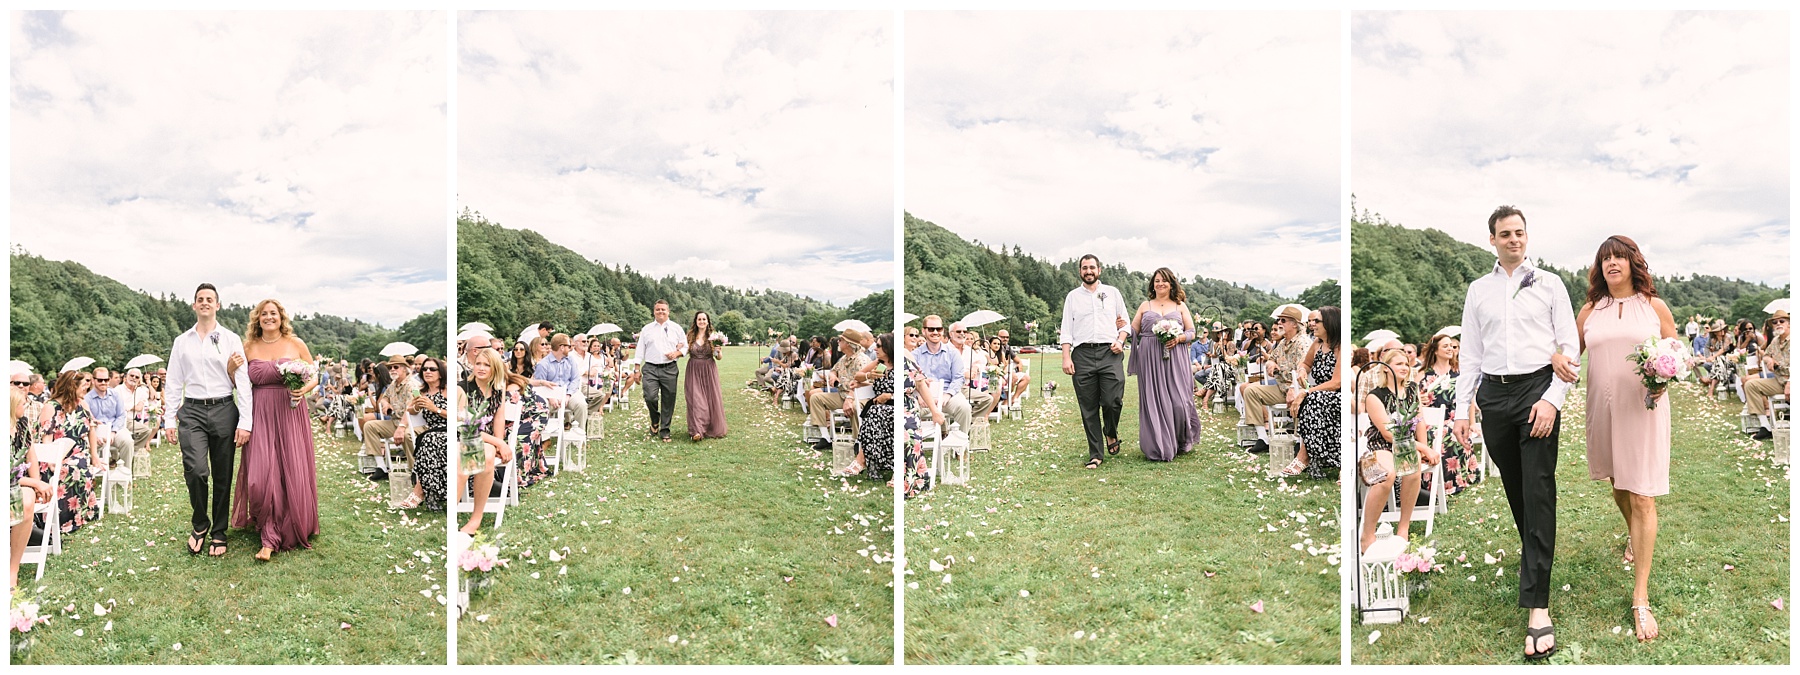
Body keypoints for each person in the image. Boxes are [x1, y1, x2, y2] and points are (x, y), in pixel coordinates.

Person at [1450, 206, 1579, 660]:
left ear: (1528, 237)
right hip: (1493, 397)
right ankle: (1537, 558)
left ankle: (1538, 606)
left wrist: (1552, 399)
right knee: (1516, 489)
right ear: (1492, 240)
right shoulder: (1478, 290)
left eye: (1520, 233)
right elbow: (1470, 351)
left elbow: (1570, 345)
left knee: (1538, 489)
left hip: (1537, 389)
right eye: (1505, 234)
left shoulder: (1550, 283)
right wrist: (1463, 407)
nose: (1513, 240)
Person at [1573, 235, 1678, 642]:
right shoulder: (1589, 311)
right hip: (1604, 408)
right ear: (1599, 268)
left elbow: (1674, 349)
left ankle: (1640, 598)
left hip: (1644, 408)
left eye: (1619, 257)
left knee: (1643, 495)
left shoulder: (1654, 306)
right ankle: (1634, 535)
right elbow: (1567, 354)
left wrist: (1665, 378)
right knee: (1618, 486)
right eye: (1605, 259)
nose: (1612, 263)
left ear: (1634, 263)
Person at [162, 283, 255, 558]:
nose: (204, 303)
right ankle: (200, 523)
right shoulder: (182, 341)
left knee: (222, 475)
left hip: (224, 409)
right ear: (194, 305)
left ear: (217, 305)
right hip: (191, 411)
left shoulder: (230, 339)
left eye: (209, 299)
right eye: (200, 299)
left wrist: (245, 422)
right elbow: (173, 383)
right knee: (196, 470)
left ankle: (219, 532)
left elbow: (243, 381)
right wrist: (169, 419)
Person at [229, 298, 320, 561]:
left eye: (274, 313)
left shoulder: (295, 343)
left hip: (290, 412)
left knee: (290, 468)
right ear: (257, 318)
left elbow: (314, 374)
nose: (269, 317)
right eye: (264, 314)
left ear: (281, 317)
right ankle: (267, 523)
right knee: (260, 474)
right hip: (260, 414)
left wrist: (305, 389)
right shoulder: (248, 346)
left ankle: (274, 536)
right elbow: (235, 382)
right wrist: (229, 368)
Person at [1357, 348, 1435, 552]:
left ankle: (1403, 529)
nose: (1405, 367)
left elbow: (1419, 420)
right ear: (1385, 368)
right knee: (1388, 475)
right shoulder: (1375, 396)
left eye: (1407, 364)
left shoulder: (1411, 390)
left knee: (1412, 467)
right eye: (1399, 363)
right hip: (1382, 445)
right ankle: (1368, 534)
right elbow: (1389, 434)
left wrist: (1423, 447)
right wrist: (1423, 449)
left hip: (1407, 445)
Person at [1060, 254, 1131, 469]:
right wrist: (1066, 357)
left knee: (1112, 400)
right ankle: (1096, 454)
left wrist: (1120, 340)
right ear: (1080, 271)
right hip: (1082, 354)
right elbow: (1066, 330)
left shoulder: (1112, 293)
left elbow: (1125, 323)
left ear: (1099, 270)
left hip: (1110, 352)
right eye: (1084, 268)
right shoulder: (1072, 297)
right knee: (1088, 407)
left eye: (1092, 267)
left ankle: (1110, 431)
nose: (1088, 271)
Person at [1127, 267, 1200, 462]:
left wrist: (1180, 338)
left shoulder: (1180, 306)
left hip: (1175, 357)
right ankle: (1159, 445)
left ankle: (1181, 440)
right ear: (1153, 284)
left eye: (1164, 280)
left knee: (1179, 401)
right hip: (1149, 358)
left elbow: (1192, 332)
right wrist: (1121, 327)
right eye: (1157, 280)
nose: (1160, 283)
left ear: (1171, 284)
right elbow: (1133, 331)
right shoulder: (1145, 305)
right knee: (1153, 401)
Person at [1238, 305, 1312, 454]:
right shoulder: (1283, 342)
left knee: (1299, 398)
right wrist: (1271, 364)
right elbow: (1271, 358)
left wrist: (1293, 388)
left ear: (1294, 324)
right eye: (1279, 320)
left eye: (1283, 320)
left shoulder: (1302, 343)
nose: (1279, 323)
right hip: (1281, 388)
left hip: (1299, 389)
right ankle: (1263, 438)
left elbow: (1303, 371)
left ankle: (1300, 441)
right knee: (1250, 390)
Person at [458, 348, 513, 535]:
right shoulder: (463, 387)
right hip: (465, 435)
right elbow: (467, 425)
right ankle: (460, 514)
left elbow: (499, 416)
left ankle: (476, 518)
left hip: (487, 439)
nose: (481, 368)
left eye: (486, 365)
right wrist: (499, 444)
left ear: (495, 368)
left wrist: (499, 441)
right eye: (478, 363)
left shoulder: (498, 387)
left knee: (488, 453)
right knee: (477, 452)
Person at [39, 371, 102, 535]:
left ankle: (81, 516)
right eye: (83, 386)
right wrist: (51, 459)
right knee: (71, 468)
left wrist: (95, 455)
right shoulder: (50, 407)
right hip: (56, 456)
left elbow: (91, 431)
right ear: (71, 386)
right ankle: (61, 520)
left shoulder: (83, 404)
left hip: (80, 453)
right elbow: (46, 437)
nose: (86, 390)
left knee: (79, 465)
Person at [1286, 307, 1341, 479]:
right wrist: (1302, 371)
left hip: (1340, 396)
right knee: (1314, 399)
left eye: (1317, 321)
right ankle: (1308, 454)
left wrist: (1305, 392)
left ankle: (1304, 456)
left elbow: (1336, 383)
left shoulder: (1341, 347)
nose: (1312, 324)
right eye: (1311, 321)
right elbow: (1306, 364)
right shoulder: (1317, 344)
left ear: (1330, 323)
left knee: (1312, 399)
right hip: (1320, 395)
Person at [808, 329, 873, 450]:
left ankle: (858, 441)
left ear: (848, 343)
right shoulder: (844, 358)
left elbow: (864, 382)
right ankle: (825, 437)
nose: (838, 342)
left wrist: (850, 397)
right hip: (842, 395)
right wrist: (833, 376)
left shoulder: (861, 360)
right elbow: (833, 369)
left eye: (841, 340)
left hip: (860, 396)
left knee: (854, 407)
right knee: (815, 397)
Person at [401, 357, 449, 511]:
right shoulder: (421, 392)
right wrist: (415, 406)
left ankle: (419, 492)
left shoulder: (449, 390)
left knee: (428, 439)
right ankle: (430, 493)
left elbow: (459, 416)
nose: (427, 371)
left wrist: (435, 409)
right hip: (433, 432)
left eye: (432, 369)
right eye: (425, 369)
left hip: (453, 430)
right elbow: (412, 413)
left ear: (440, 373)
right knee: (429, 439)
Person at [636, 300, 687, 442]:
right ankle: (655, 418)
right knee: (650, 397)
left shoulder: (676, 328)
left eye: (663, 309)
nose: (661, 312)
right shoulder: (647, 329)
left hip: (669, 368)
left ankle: (665, 430)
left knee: (668, 400)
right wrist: (636, 368)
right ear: (654, 312)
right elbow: (640, 350)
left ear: (668, 311)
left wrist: (677, 354)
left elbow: (685, 347)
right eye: (658, 309)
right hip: (651, 368)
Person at [847, 333, 895, 479]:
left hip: (896, 404)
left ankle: (862, 460)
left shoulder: (901, 365)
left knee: (875, 413)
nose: (875, 349)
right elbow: (858, 376)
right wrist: (869, 377)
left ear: (888, 347)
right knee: (874, 411)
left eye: (879, 346)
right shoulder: (879, 364)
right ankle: (864, 460)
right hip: (877, 404)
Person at [684, 311, 729, 441]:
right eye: (699, 319)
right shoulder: (690, 336)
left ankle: (709, 427)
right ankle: (697, 431)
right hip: (693, 369)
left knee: (710, 399)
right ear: (696, 321)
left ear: (708, 321)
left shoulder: (713, 337)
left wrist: (719, 352)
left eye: (704, 319)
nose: (702, 321)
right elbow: (684, 351)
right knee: (696, 399)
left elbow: (718, 358)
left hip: (709, 370)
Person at [1745, 309, 1789, 440]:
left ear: (1789, 323)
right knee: (1750, 385)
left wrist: (1791, 382)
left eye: (1782, 321)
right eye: (1775, 322)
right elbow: (1766, 355)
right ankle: (1765, 426)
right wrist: (1768, 359)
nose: (1778, 324)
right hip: (1779, 380)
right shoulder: (1775, 340)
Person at [83, 366, 134, 476]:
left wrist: (113, 432)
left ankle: (125, 474)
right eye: (100, 380)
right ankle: (90, 475)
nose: (103, 382)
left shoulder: (115, 395)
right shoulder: (87, 398)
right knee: (86, 447)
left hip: (115, 429)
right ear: (93, 380)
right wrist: (95, 436)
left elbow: (121, 416)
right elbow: (87, 420)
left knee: (128, 441)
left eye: (106, 380)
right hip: (95, 432)